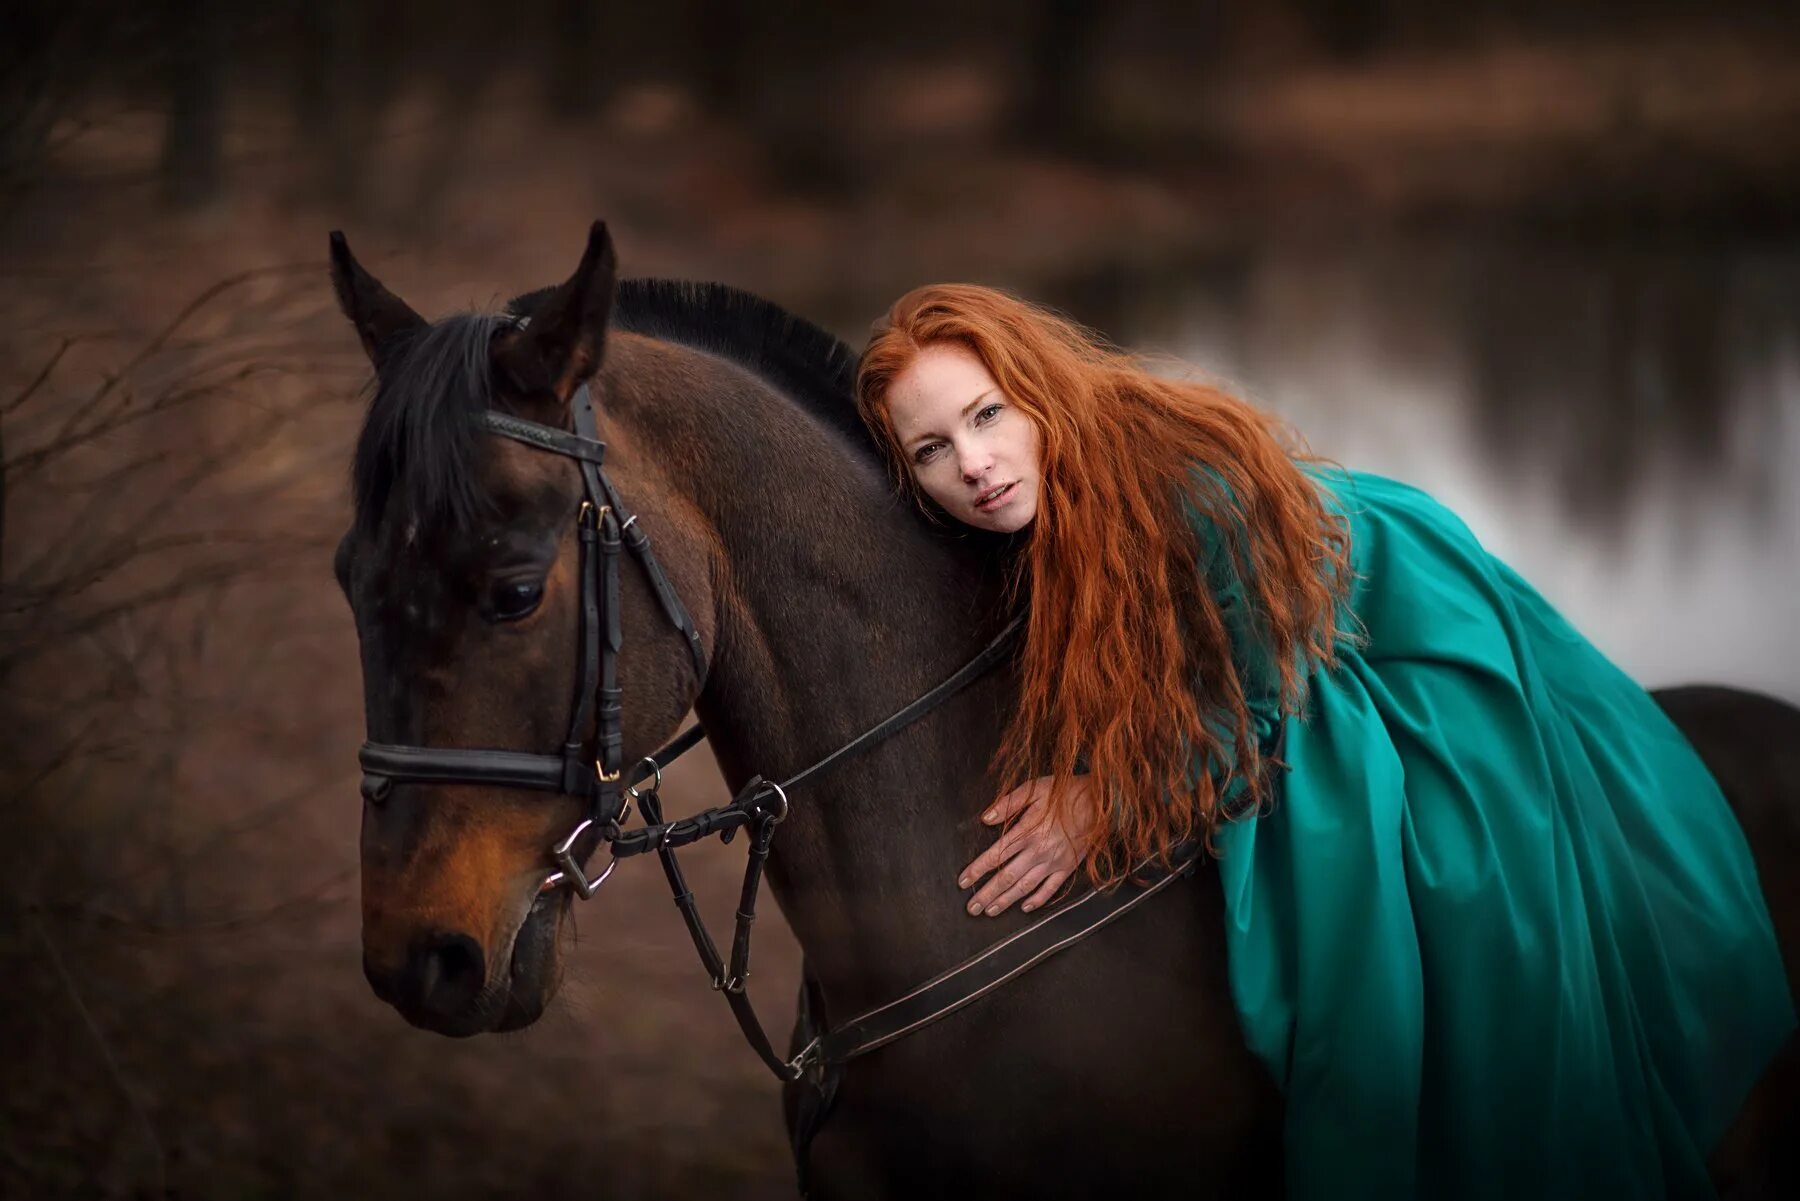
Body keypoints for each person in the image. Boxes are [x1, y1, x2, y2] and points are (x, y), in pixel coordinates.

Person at [853, 283, 1795, 1200]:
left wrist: (1113, 797)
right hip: (1272, 645)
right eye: (932, 449)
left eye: (987, 416)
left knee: (1414, 842)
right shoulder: (1012, 510)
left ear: (1040, 395)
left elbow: (1259, 704)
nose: (972, 464)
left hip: (1385, 622)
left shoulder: (1190, 494)